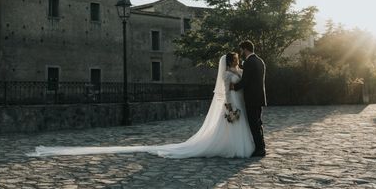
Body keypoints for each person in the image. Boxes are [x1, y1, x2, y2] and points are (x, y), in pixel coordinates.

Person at [28, 52, 255, 159]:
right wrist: (227, 107)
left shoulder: (235, 71)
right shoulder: (226, 75)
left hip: (239, 103)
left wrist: (240, 70)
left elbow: (244, 76)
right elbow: (226, 91)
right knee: (228, 127)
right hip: (232, 103)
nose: (236, 61)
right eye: (234, 60)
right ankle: (230, 148)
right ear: (229, 62)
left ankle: (237, 147)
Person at [231, 40, 267, 157]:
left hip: (251, 98)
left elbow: (245, 81)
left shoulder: (249, 62)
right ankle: (261, 147)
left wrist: (234, 87)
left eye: (241, 49)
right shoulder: (260, 61)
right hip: (260, 97)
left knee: (253, 124)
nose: (240, 52)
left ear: (245, 49)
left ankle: (259, 149)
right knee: (258, 123)